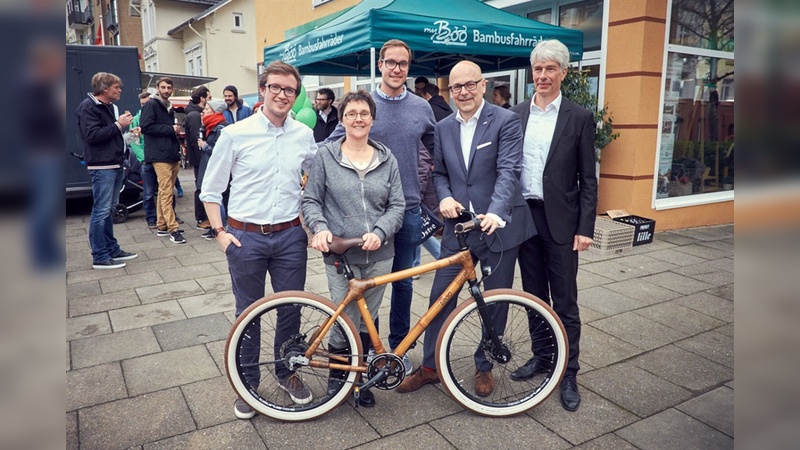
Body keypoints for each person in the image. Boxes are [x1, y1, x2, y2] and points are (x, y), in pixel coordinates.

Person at [397, 61, 535, 397]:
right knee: (440, 298)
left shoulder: (506, 120)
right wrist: (443, 197)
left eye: (470, 84)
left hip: (497, 227)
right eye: (457, 87)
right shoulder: (443, 127)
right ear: (449, 91)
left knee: (495, 301)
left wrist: (497, 212)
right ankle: (430, 367)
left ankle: (484, 365)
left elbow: (508, 171)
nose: (464, 92)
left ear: (483, 85)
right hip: (458, 228)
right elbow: (440, 173)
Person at [200, 61, 318, 420]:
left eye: (289, 90)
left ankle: (286, 372)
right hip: (244, 237)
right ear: (263, 89)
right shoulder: (236, 133)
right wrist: (221, 233)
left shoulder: (303, 135)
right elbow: (211, 189)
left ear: (296, 96)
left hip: (289, 237)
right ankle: (247, 382)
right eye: (276, 87)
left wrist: (311, 225)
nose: (282, 94)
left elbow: (313, 178)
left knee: (290, 310)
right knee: (247, 313)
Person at [325, 39, 436, 374]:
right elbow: (333, 143)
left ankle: (397, 346)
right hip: (368, 211)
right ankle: (362, 351)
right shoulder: (365, 104)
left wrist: (421, 178)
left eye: (403, 63)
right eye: (390, 62)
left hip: (409, 210)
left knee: (403, 281)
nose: (396, 68)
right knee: (368, 283)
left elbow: (435, 149)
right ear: (381, 65)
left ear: (408, 67)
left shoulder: (421, 107)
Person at [509, 39, 597, 412]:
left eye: (550, 69)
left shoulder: (579, 117)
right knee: (533, 297)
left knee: (564, 301)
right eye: (538, 69)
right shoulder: (515, 114)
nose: (543, 76)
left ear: (563, 72)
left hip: (561, 220)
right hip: (525, 218)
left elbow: (588, 178)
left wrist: (586, 227)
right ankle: (542, 357)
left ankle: (568, 371)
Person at [302, 90, 405, 408]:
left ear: (372, 119)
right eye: (351, 113)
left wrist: (380, 231)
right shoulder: (326, 156)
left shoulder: (387, 159)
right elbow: (310, 200)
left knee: (368, 319)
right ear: (342, 118)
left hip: (379, 255)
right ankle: (337, 379)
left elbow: (397, 205)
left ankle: (359, 378)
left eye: (364, 113)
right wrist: (320, 229)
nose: (358, 119)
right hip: (341, 255)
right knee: (343, 317)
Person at [75, 72, 138, 269]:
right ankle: (100, 256)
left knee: (109, 209)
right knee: (101, 210)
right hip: (102, 166)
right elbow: (93, 136)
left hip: (114, 164)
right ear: (104, 89)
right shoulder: (88, 107)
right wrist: (119, 124)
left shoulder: (108, 106)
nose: (120, 90)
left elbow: (110, 134)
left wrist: (124, 133)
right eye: (116, 87)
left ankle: (112, 249)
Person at [141, 77, 185, 244]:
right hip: (159, 155)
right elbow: (146, 127)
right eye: (163, 87)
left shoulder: (168, 106)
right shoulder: (152, 104)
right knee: (166, 192)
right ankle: (173, 229)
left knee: (164, 192)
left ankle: (161, 225)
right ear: (157, 88)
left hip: (170, 154)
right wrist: (169, 129)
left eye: (169, 87)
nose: (166, 90)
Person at [195, 99, 229, 240]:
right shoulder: (209, 126)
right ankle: (215, 227)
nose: (204, 112)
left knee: (216, 199)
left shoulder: (221, 128)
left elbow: (220, 152)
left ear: (215, 112)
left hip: (216, 169)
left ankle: (219, 228)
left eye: (207, 109)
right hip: (209, 166)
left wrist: (205, 146)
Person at [184, 86, 211, 230]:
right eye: (209, 97)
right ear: (202, 98)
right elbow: (197, 141)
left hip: (199, 159)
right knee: (201, 187)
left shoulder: (194, 113)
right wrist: (202, 160)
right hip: (199, 159)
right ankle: (201, 219)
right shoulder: (195, 115)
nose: (210, 101)